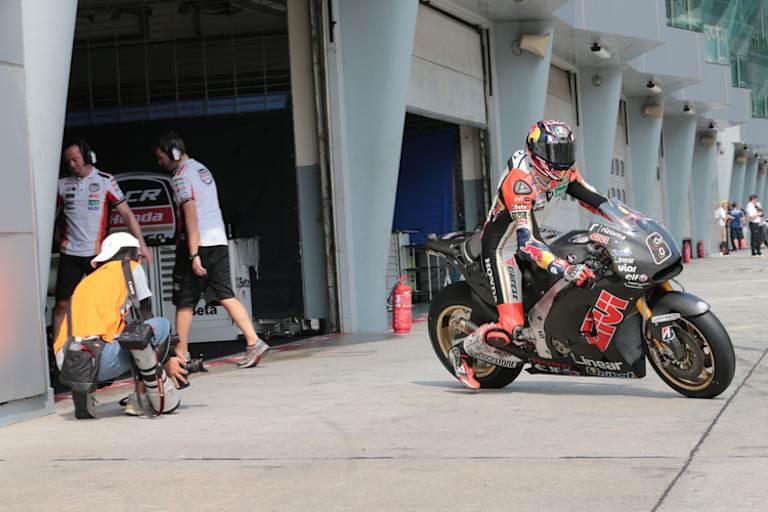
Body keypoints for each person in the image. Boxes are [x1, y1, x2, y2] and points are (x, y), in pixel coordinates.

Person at [449, 120, 608, 389]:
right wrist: (565, 268)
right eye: (556, 153)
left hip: (534, 231)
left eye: (566, 151)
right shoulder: (521, 181)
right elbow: (528, 243)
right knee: (512, 327)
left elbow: (591, 198)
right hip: (504, 246)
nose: (562, 160)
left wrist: (631, 218)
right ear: (536, 152)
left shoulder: (563, 170)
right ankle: (463, 351)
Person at [153, 132, 270, 368]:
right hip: (218, 241)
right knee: (226, 294)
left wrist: (194, 253)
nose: (160, 162)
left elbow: (191, 215)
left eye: (161, 157)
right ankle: (253, 341)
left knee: (185, 300)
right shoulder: (201, 169)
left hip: (200, 245)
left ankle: (182, 353)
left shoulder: (181, 177)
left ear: (174, 153)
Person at [53, 232, 183, 419]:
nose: (139, 259)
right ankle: (141, 398)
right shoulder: (130, 268)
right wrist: (167, 356)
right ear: (128, 253)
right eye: (137, 254)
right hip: (98, 361)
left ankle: (84, 394)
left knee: (111, 336)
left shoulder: (88, 281)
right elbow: (146, 315)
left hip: (68, 362)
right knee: (158, 326)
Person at [53, 139, 151, 345]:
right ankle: (58, 350)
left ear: (87, 157)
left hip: (97, 255)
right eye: (68, 161)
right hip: (70, 254)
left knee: (107, 302)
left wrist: (141, 244)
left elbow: (127, 214)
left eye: (75, 160)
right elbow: (46, 218)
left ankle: (109, 345)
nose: (72, 165)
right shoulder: (61, 184)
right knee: (62, 305)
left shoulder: (105, 180)